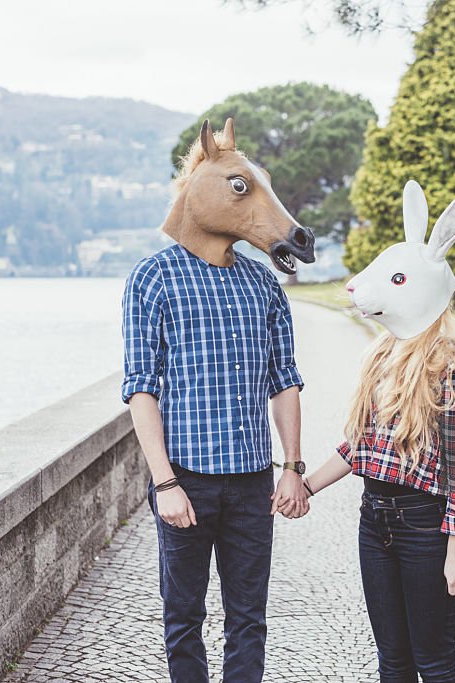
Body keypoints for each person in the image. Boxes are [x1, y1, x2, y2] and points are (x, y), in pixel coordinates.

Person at [121, 118, 312, 683]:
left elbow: (285, 380)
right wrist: (164, 484)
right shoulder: (152, 279)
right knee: (183, 618)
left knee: (249, 620)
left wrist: (293, 469)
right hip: (186, 480)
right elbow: (141, 387)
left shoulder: (263, 285)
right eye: (237, 186)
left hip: (254, 482)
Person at [288, 181, 455, 682]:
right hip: (373, 521)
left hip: (426, 528)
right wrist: (306, 485)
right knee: (392, 661)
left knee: (434, 662)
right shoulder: (381, 358)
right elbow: (360, 449)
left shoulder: (454, 375)